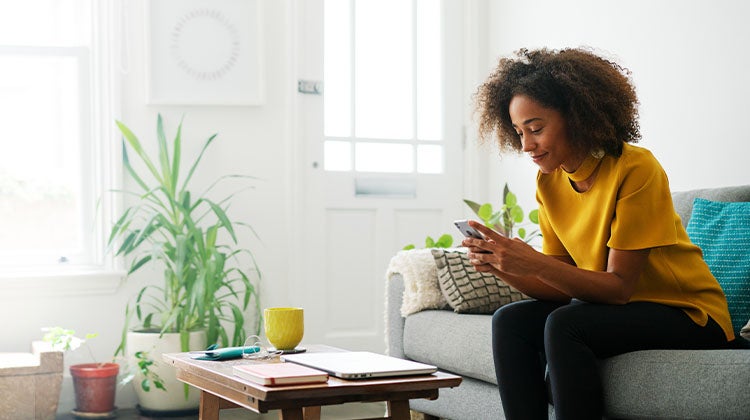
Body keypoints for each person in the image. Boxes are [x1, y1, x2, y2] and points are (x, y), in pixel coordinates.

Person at [462, 47, 734, 420]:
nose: (526, 145)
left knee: (566, 323)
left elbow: (618, 287)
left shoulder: (636, 168)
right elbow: (560, 284)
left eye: (536, 129)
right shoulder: (549, 181)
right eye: (519, 132)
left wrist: (531, 260)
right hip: (622, 308)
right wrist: (503, 266)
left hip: (688, 314)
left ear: (575, 117)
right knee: (510, 321)